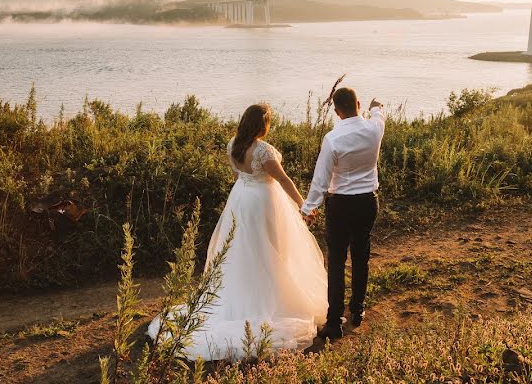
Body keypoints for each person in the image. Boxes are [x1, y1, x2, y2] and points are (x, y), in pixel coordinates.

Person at [147, 104, 327, 360]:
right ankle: (271, 295)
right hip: (263, 202)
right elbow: (284, 179)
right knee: (271, 249)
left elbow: (237, 175)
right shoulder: (263, 151)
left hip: (241, 199)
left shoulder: (233, 144)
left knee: (241, 247)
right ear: (262, 125)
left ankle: (244, 288)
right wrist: (304, 206)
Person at [302, 87, 385, 340]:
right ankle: (357, 310)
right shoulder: (374, 129)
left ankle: (334, 320)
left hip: (340, 205)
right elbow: (379, 112)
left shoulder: (333, 139)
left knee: (336, 261)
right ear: (357, 104)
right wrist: (375, 106)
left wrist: (308, 208)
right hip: (368, 202)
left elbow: (321, 179)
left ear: (337, 112)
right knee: (361, 256)